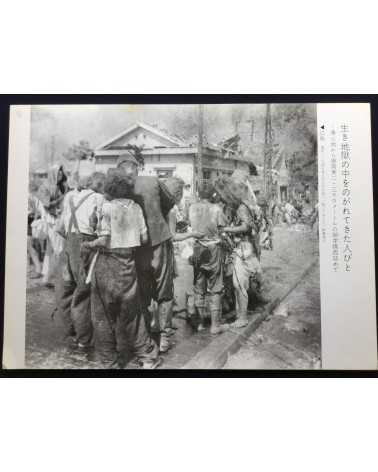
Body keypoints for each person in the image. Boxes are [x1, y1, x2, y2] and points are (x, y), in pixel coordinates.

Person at [82, 169, 160, 369]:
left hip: (107, 265)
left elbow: (105, 239)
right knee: (133, 315)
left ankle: (109, 362)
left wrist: (89, 245)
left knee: (102, 317)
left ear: (110, 187)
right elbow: (143, 239)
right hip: (128, 266)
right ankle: (147, 356)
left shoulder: (106, 208)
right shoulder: (136, 208)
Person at [117, 152, 177, 354]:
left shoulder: (119, 189)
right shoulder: (152, 180)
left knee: (143, 291)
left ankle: (148, 333)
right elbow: (169, 203)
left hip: (136, 246)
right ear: (137, 167)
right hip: (159, 240)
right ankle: (165, 336)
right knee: (164, 290)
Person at [56, 168, 105, 349]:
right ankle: (84, 339)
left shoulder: (69, 197)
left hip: (69, 243)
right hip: (86, 245)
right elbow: (101, 227)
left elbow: (60, 228)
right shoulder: (98, 198)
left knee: (66, 291)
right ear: (94, 183)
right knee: (83, 292)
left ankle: (71, 332)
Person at [217, 178, 268, 329]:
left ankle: (243, 317)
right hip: (242, 248)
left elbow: (246, 226)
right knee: (238, 283)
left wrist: (227, 230)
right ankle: (240, 315)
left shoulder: (241, 208)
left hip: (243, 248)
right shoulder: (239, 206)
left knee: (239, 283)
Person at [188, 182, 229, 334]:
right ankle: (215, 325)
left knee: (199, 286)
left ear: (198, 194)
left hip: (198, 249)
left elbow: (190, 225)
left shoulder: (192, 207)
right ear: (212, 194)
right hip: (213, 250)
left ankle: (199, 324)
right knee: (216, 287)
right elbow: (223, 229)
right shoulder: (216, 209)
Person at [37, 164, 68, 287]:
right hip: (52, 221)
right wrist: (63, 198)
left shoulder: (61, 186)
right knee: (58, 249)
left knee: (50, 250)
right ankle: (58, 277)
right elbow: (46, 204)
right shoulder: (45, 187)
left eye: (61, 172)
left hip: (58, 219)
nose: (60, 174)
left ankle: (47, 277)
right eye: (58, 172)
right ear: (53, 173)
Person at [27, 180, 43, 278]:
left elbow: (34, 211)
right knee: (29, 246)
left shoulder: (30, 197)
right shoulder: (33, 197)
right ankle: (31, 268)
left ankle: (38, 269)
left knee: (30, 246)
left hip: (29, 221)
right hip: (30, 221)